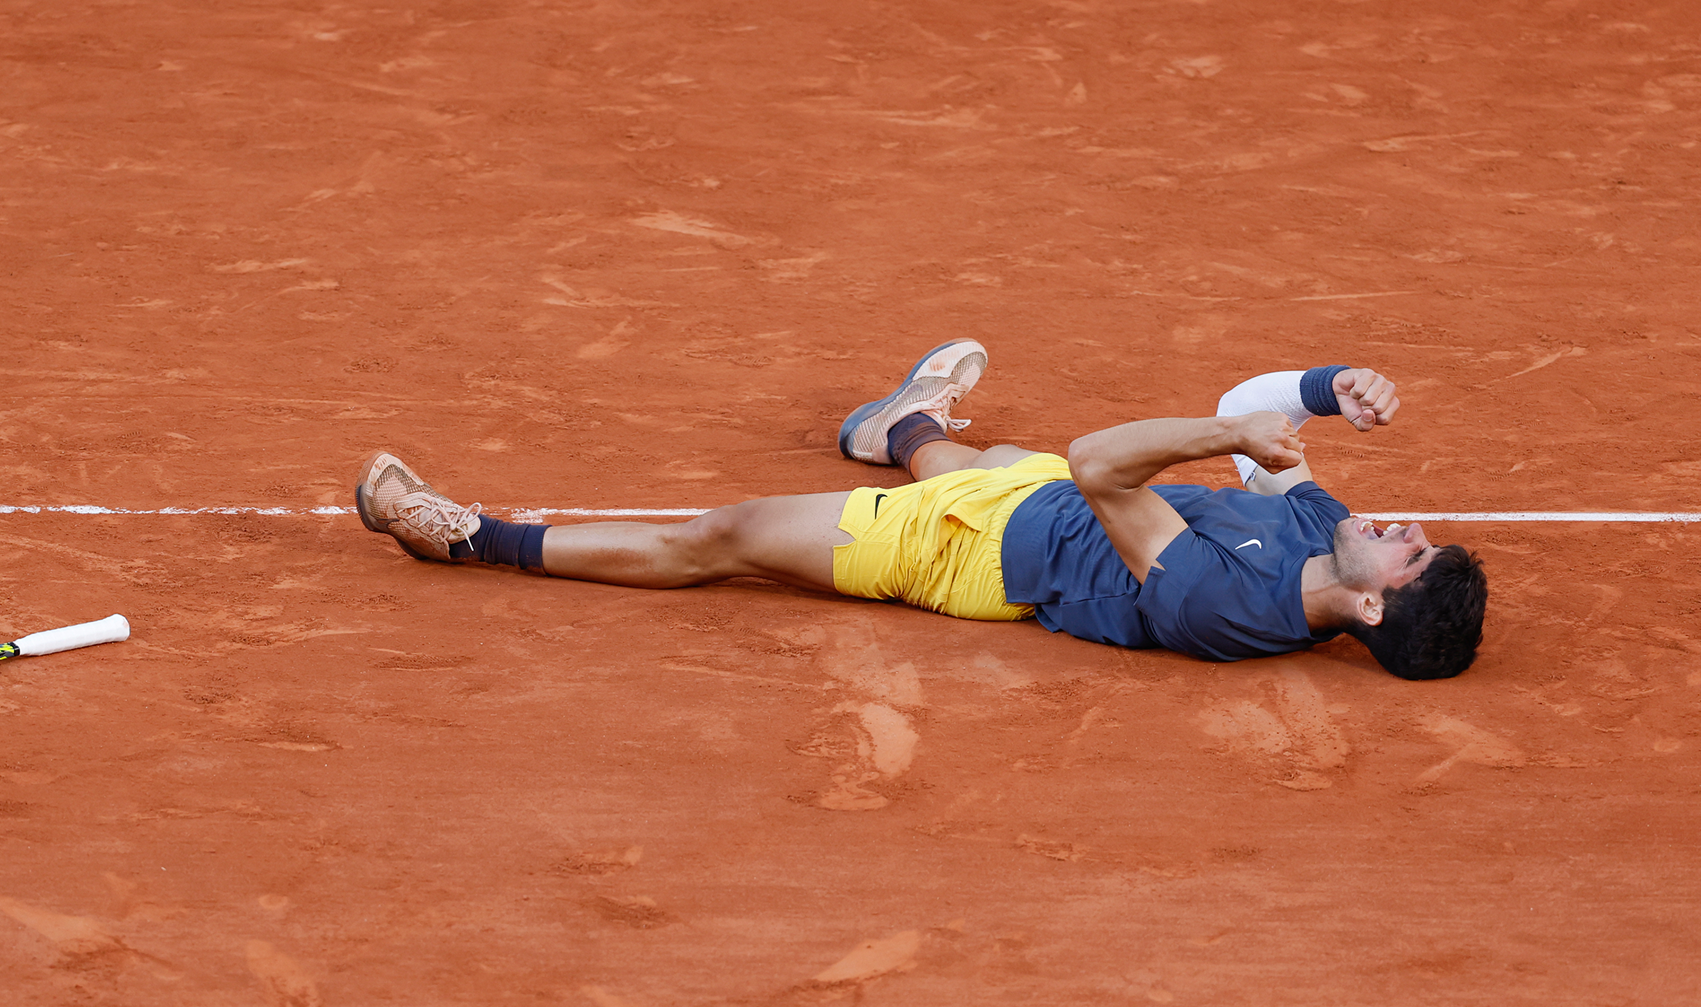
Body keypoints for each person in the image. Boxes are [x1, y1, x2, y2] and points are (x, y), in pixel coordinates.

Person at [354, 339, 1487, 678]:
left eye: (1409, 559)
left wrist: (1229, 439)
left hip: (977, 560)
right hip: (1032, 495)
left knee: (725, 538)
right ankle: (892, 426)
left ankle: (466, 538)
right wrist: (1324, 390)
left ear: (1373, 615)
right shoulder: (1314, 527)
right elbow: (1250, 405)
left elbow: (1104, 466)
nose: (1405, 529)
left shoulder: (1224, 609)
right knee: (965, 454)